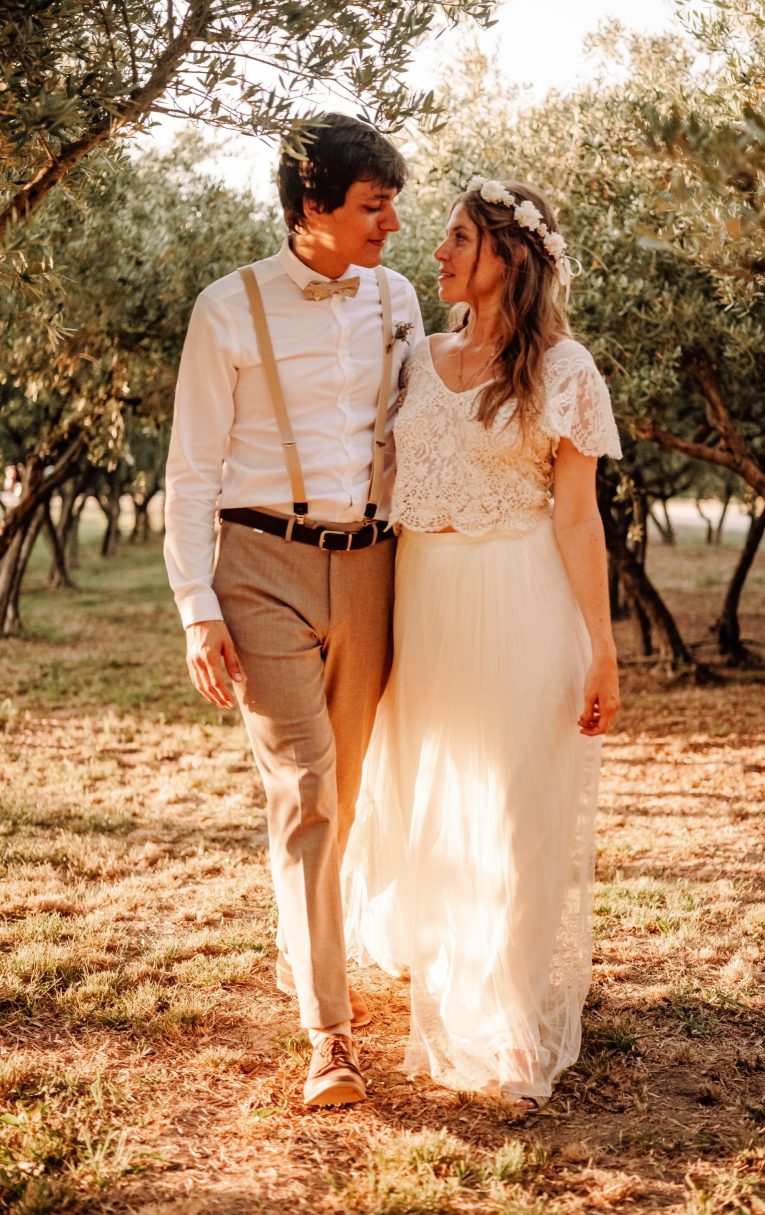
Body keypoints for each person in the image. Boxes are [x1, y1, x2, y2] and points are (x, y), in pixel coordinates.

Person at [343, 177, 622, 1108]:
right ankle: (449, 964)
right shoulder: (416, 358)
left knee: (512, 808)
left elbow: (581, 523)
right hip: (423, 601)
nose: (439, 251)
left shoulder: (566, 370)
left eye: (460, 237)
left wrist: (603, 648)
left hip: (522, 598)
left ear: (510, 254)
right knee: (433, 789)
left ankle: (504, 1024)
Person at [164, 113, 424, 1107]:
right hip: (260, 568)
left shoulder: (398, 298)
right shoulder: (225, 310)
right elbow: (190, 473)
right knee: (308, 791)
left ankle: (296, 944)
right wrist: (197, 606)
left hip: (373, 568)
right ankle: (331, 1035)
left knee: (341, 798)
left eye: (393, 203)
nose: (392, 223)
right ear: (311, 206)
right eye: (373, 205)